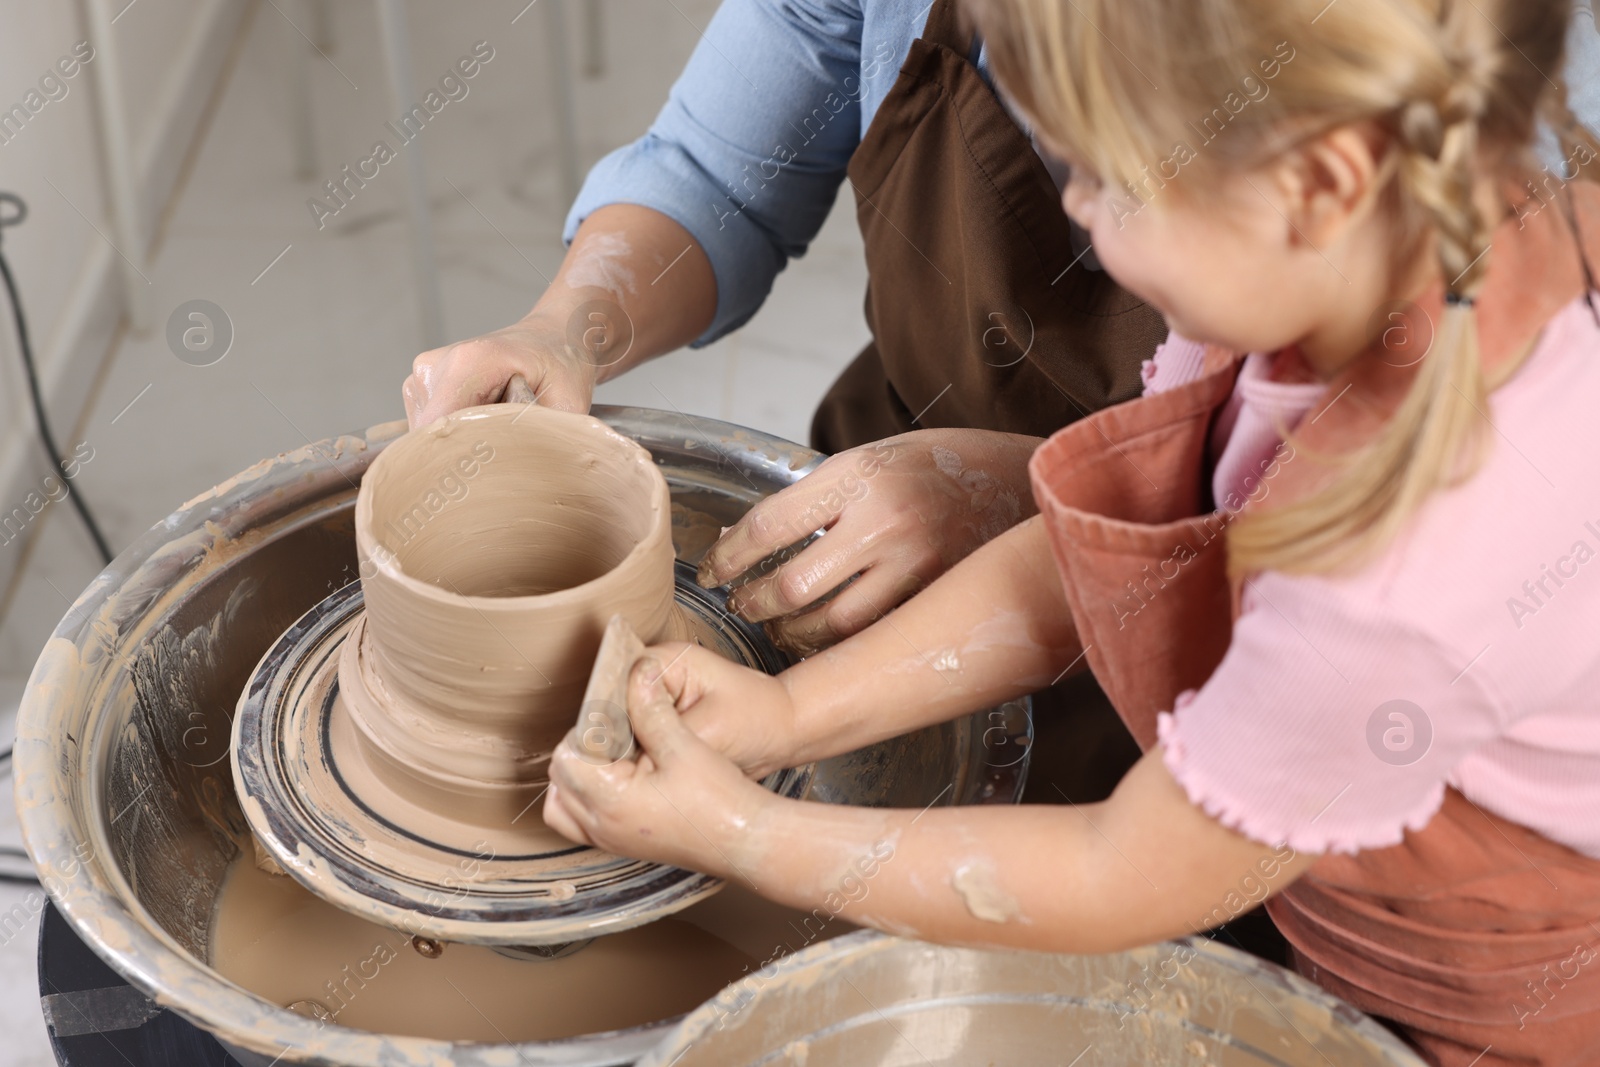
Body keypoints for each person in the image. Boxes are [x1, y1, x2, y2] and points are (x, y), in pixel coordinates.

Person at [542, 0, 1600, 1062]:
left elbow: (1115, 871)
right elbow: (1090, 561)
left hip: (1476, 994)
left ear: (1316, 187)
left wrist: (739, 832)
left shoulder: (1400, 575)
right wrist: (782, 715)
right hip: (1297, 841)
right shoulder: (1340, 259)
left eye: (1102, 178)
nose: (1078, 215)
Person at [403, 0, 1167, 804]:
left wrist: (1025, 493)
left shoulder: (1283, 88)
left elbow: (1286, 483)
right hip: (885, 485)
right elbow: (715, 178)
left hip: (1188, 641)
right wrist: (563, 330)